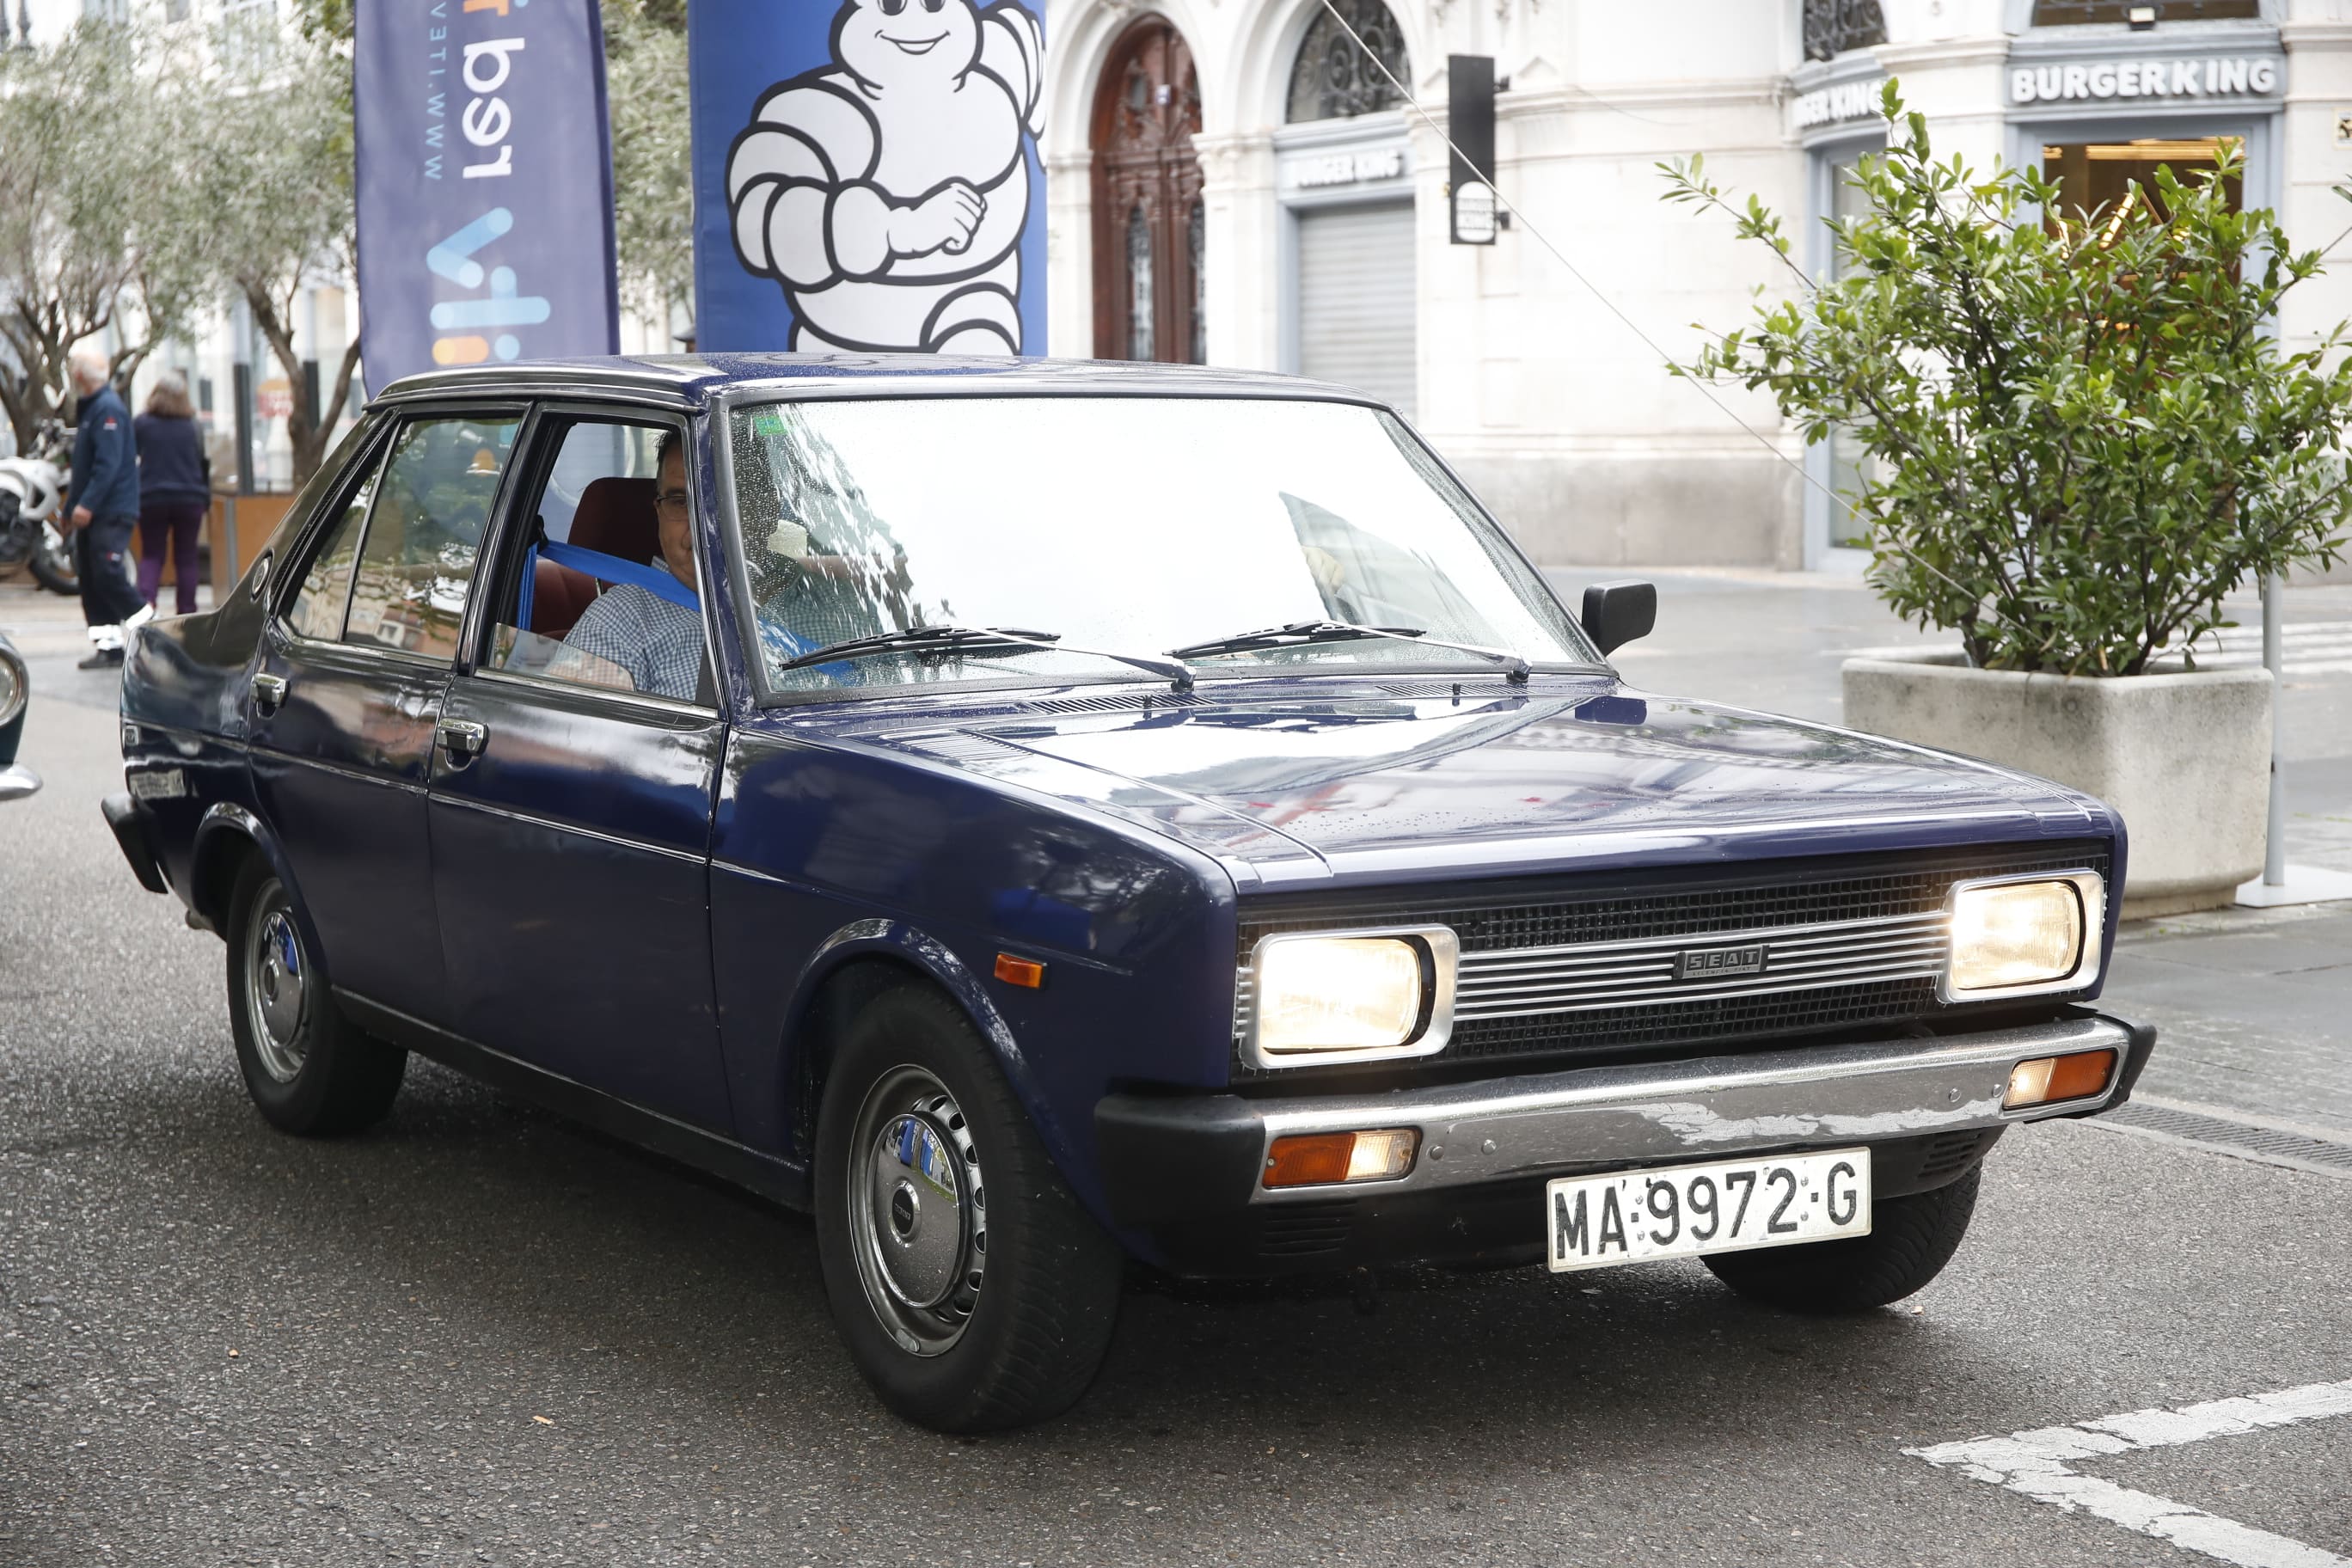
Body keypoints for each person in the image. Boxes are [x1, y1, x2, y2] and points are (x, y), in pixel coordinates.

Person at [548, 432, 707, 701]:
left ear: (769, 507)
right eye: (680, 502)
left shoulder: (804, 593)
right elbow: (577, 738)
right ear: (659, 514)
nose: (704, 529)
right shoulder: (621, 622)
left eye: (726, 500)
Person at [61, 351, 151, 669]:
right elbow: (84, 468)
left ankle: (151, 631)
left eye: (73, 370)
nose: (71, 375)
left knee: (108, 571)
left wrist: (86, 504)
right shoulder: (93, 410)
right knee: (92, 576)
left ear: (81, 376)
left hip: (110, 510)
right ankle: (109, 647)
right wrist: (70, 509)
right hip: (96, 511)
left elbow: (107, 465)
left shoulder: (107, 410)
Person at [133, 373, 210, 616]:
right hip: (190, 497)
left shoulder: (142, 423)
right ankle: (186, 612)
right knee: (187, 557)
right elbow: (201, 461)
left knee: (152, 553)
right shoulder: (193, 426)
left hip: (152, 497)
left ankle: (146, 606)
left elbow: (130, 457)